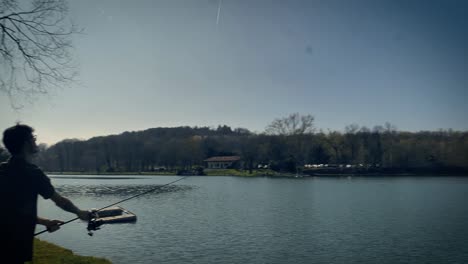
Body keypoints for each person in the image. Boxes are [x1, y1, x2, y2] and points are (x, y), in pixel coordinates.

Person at [0, 124, 90, 263]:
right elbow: (60, 201)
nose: (35, 141)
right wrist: (79, 212)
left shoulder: (3, 170)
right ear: (26, 143)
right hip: (14, 247)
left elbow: (12, 210)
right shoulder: (33, 173)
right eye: (33, 138)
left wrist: (45, 222)